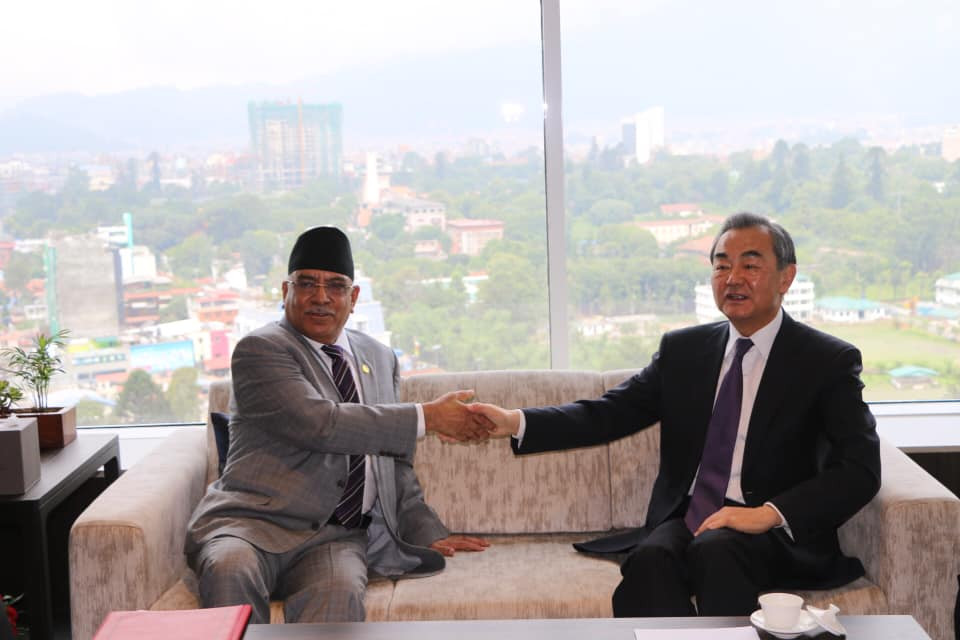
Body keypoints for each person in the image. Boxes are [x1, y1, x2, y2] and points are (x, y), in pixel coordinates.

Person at [469, 212, 881, 617]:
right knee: (649, 560)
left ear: (786, 278)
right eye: (722, 266)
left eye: (750, 265)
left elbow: (860, 469)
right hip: (691, 517)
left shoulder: (826, 361)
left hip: (770, 531)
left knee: (716, 551)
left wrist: (766, 514)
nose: (733, 278)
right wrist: (515, 421)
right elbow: (610, 413)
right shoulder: (684, 351)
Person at [185, 226, 490, 624]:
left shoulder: (379, 357)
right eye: (307, 283)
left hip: (335, 538)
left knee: (339, 596)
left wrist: (425, 530)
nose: (321, 297)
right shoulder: (261, 350)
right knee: (230, 569)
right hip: (252, 525)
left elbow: (393, 459)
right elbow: (321, 424)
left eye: (335, 286)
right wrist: (427, 416)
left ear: (354, 297)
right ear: (286, 290)